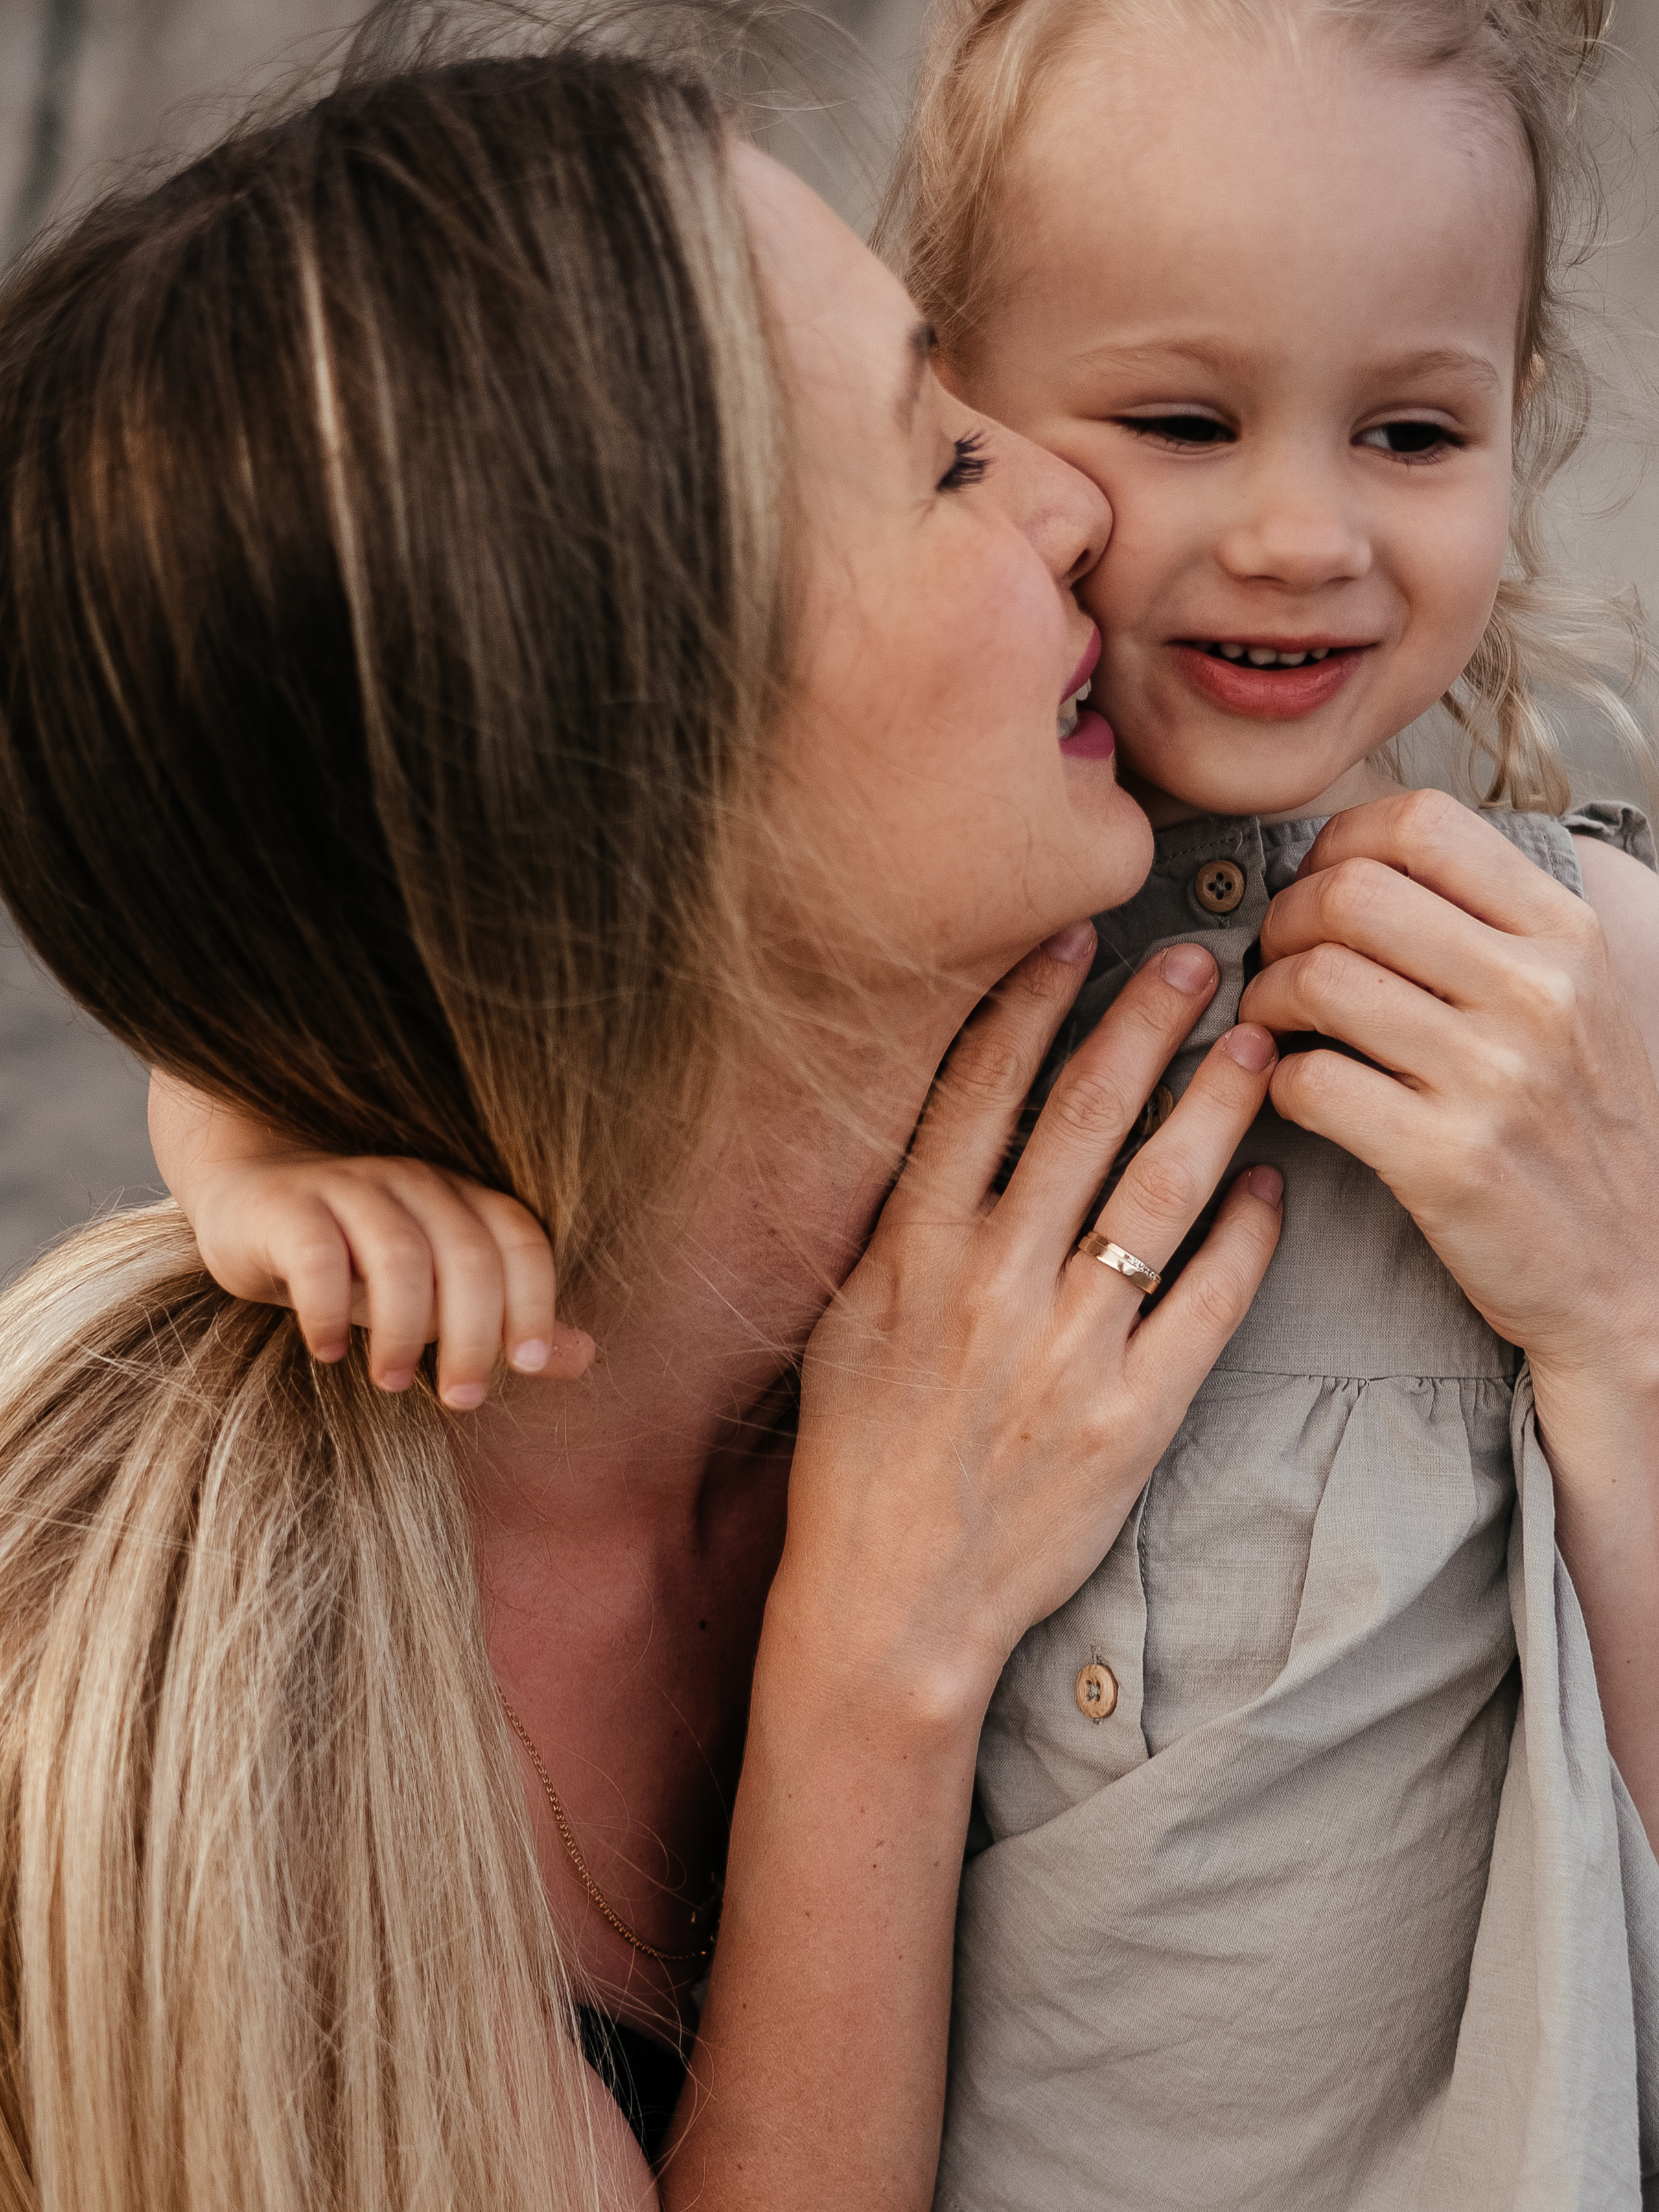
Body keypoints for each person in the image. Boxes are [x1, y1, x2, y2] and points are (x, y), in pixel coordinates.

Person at [150, 0, 1659, 2206]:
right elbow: (425, 886)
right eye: (1172, 415)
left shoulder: (1577, 1001)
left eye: (1415, 435)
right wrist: (259, 1127)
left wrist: (1629, 1334)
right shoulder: (892, 956)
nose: (1303, 533)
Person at [0, 10, 1296, 2206]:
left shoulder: (1138, 1042)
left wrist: (229, 1077)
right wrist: (878, 1666)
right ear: (654, 778)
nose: (1086, 499)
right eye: (952, 464)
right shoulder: (200, 1728)